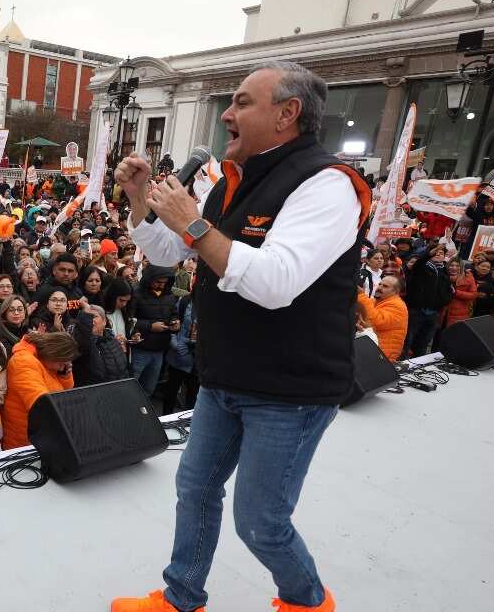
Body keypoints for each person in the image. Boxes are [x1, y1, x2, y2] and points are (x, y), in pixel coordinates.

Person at [113, 61, 370, 612]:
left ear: (287, 114)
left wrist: (194, 223)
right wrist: (140, 199)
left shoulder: (327, 186)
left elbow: (276, 283)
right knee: (195, 488)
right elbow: (169, 253)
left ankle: (307, 601)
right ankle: (181, 597)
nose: (226, 114)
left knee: (260, 521)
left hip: (289, 389)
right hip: (224, 375)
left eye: (242, 102)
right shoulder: (233, 181)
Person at [2, 331, 77, 449]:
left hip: (40, 438)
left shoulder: (45, 361)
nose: (64, 366)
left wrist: (64, 375)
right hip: (24, 444)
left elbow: (63, 392)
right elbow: (40, 404)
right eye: (63, 362)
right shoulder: (23, 361)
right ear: (54, 353)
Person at [130, 265, 179, 394]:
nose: (161, 285)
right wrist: (150, 326)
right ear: (149, 278)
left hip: (159, 350)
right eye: (158, 282)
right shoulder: (136, 294)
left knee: (148, 389)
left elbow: (174, 314)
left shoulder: (170, 295)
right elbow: (129, 320)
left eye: (164, 282)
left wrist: (175, 323)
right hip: (140, 349)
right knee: (131, 389)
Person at [402, 244, 453, 357]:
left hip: (434, 313)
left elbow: (448, 289)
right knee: (408, 340)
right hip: (417, 311)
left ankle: (419, 362)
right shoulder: (422, 266)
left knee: (423, 343)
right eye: (435, 252)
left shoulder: (444, 270)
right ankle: (403, 361)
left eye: (441, 253)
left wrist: (444, 301)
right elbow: (419, 262)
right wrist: (428, 254)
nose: (438, 254)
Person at [71, 304, 128, 387]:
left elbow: (124, 369)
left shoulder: (114, 340)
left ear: (104, 321)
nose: (90, 320)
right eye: (87, 317)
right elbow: (83, 339)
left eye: (94, 316)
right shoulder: (79, 343)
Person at [355, 275, 408, 361]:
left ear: (396, 291)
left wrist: (361, 295)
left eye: (385, 286)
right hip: (373, 350)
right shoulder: (377, 301)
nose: (379, 287)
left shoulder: (397, 306)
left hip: (383, 357)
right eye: (380, 284)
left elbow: (376, 321)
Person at [442, 260, 477, 328]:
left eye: (457, 266)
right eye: (451, 265)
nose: (454, 268)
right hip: (441, 311)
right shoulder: (442, 275)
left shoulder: (468, 277)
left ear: (461, 267)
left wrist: (456, 292)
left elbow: (473, 295)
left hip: (458, 313)